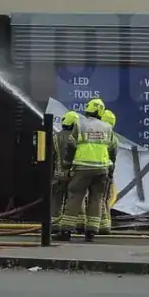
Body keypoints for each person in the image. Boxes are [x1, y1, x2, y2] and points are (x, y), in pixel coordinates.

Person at [59, 98, 117, 242]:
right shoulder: (107, 128)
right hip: (102, 169)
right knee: (96, 198)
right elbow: (112, 150)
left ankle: (66, 230)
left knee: (75, 196)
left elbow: (71, 145)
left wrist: (67, 165)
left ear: (88, 109)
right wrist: (110, 169)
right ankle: (91, 231)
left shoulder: (80, 124)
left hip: (82, 168)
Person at [51, 111, 79, 232]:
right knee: (72, 201)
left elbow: (51, 156)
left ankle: (54, 225)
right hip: (73, 175)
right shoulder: (76, 139)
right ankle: (69, 225)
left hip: (58, 175)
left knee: (56, 201)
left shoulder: (54, 137)